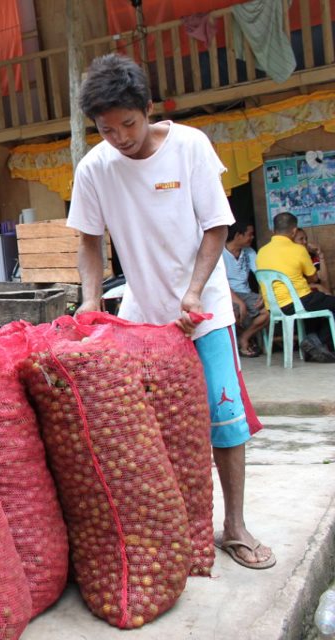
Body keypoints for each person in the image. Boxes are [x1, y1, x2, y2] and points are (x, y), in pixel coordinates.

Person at [68, 53, 274, 569]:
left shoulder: (188, 146)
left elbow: (216, 226)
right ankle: (172, 525)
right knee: (151, 428)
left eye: (128, 124)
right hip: (140, 320)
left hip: (205, 313)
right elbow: (90, 242)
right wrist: (90, 301)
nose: (119, 137)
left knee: (223, 419)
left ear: (149, 109)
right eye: (106, 128)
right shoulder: (95, 167)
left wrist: (195, 292)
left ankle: (236, 526)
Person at [256, 212, 335, 362]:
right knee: (324, 301)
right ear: (293, 231)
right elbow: (314, 277)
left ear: (274, 230)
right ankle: (317, 341)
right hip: (297, 301)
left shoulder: (262, 252)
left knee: (317, 304)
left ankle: (314, 347)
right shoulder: (298, 250)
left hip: (274, 307)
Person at [222, 222, 269, 357]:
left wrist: (263, 293)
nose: (252, 237)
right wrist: (240, 302)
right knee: (232, 313)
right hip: (227, 294)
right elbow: (221, 283)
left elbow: (261, 275)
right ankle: (241, 343)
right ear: (238, 235)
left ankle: (244, 338)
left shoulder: (249, 252)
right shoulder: (220, 252)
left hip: (246, 293)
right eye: (249, 234)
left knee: (267, 311)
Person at [293, 227, 331, 294]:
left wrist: (320, 255)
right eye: (301, 239)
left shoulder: (310, 256)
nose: (305, 242)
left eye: (306, 239)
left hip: (314, 294)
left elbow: (324, 278)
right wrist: (315, 285)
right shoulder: (289, 258)